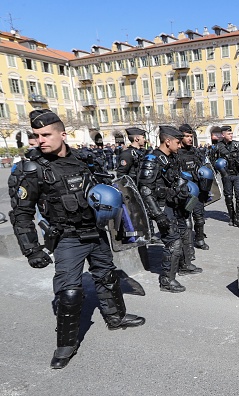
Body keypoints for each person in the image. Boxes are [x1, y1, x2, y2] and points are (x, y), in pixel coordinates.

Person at [8, 110, 145, 369]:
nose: (40, 140)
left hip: (96, 231)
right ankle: (66, 345)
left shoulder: (85, 159)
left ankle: (116, 318)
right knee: (69, 291)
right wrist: (31, 249)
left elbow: (109, 189)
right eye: (36, 136)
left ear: (62, 134)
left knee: (106, 275)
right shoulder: (31, 169)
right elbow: (21, 213)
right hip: (67, 238)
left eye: (46, 134)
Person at [138, 125, 202, 294]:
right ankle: (167, 280)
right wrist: (158, 215)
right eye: (177, 142)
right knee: (173, 241)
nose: (180, 145)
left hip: (176, 204)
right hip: (162, 206)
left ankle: (183, 266)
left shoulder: (171, 157)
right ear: (167, 141)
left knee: (185, 232)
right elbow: (145, 190)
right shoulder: (152, 159)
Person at [178, 124, 210, 251]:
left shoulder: (196, 152)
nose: (190, 139)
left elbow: (205, 168)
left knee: (199, 217)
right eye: (187, 136)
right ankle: (188, 244)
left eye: (191, 136)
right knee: (186, 219)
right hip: (185, 192)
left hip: (198, 190)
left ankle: (200, 239)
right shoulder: (177, 153)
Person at [210, 126, 239, 228]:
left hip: (237, 174)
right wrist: (218, 169)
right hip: (226, 175)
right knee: (229, 196)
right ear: (223, 135)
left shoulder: (238, 144)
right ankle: (231, 217)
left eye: (231, 134)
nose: (231, 135)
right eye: (228, 134)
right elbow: (212, 160)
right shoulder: (217, 146)